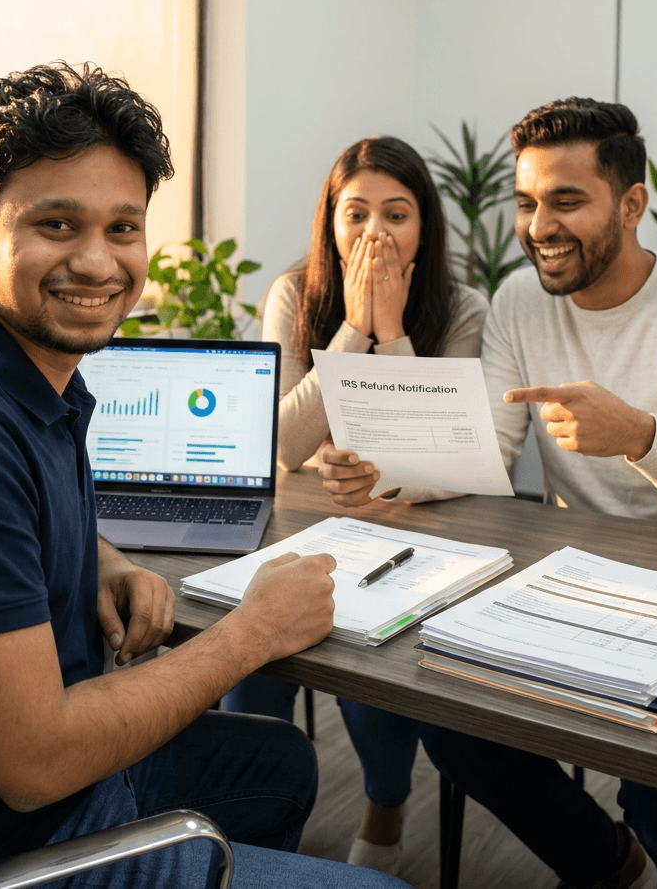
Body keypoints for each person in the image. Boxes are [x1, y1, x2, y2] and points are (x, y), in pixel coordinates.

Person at [0, 62, 410, 889]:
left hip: (33, 801)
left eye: (123, 228)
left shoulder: (23, 376)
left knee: (276, 762)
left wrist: (104, 558)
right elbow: (36, 759)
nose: (98, 263)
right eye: (57, 224)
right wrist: (249, 633)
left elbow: (16, 520)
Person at [322, 97, 657, 889]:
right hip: (571, 584)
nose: (539, 224)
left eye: (567, 200)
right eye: (528, 201)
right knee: (455, 725)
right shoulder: (516, 300)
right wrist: (387, 477)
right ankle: (617, 867)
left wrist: (643, 435)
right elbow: (486, 454)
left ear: (633, 203)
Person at [222, 135, 489, 874]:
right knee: (255, 640)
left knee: (372, 643)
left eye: (396, 214)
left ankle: (385, 799)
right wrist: (354, 330)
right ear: (330, 224)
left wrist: (396, 328)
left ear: (424, 227)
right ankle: (251, 830)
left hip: (416, 528)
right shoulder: (292, 292)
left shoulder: (464, 306)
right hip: (306, 521)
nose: (375, 233)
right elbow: (280, 443)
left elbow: (444, 455)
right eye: (357, 213)